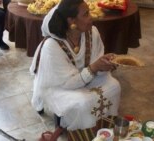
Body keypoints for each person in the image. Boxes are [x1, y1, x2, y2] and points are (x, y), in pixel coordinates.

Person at [30, 0, 121, 139]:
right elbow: (67, 83)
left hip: (87, 77)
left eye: (89, 12)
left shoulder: (92, 32)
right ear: (71, 20)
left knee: (115, 86)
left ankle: (104, 132)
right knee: (82, 102)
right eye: (86, 14)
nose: (91, 17)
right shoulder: (52, 46)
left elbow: (97, 62)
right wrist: (94, 67)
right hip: (60, 86)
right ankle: (85, 136)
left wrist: (105, 64)